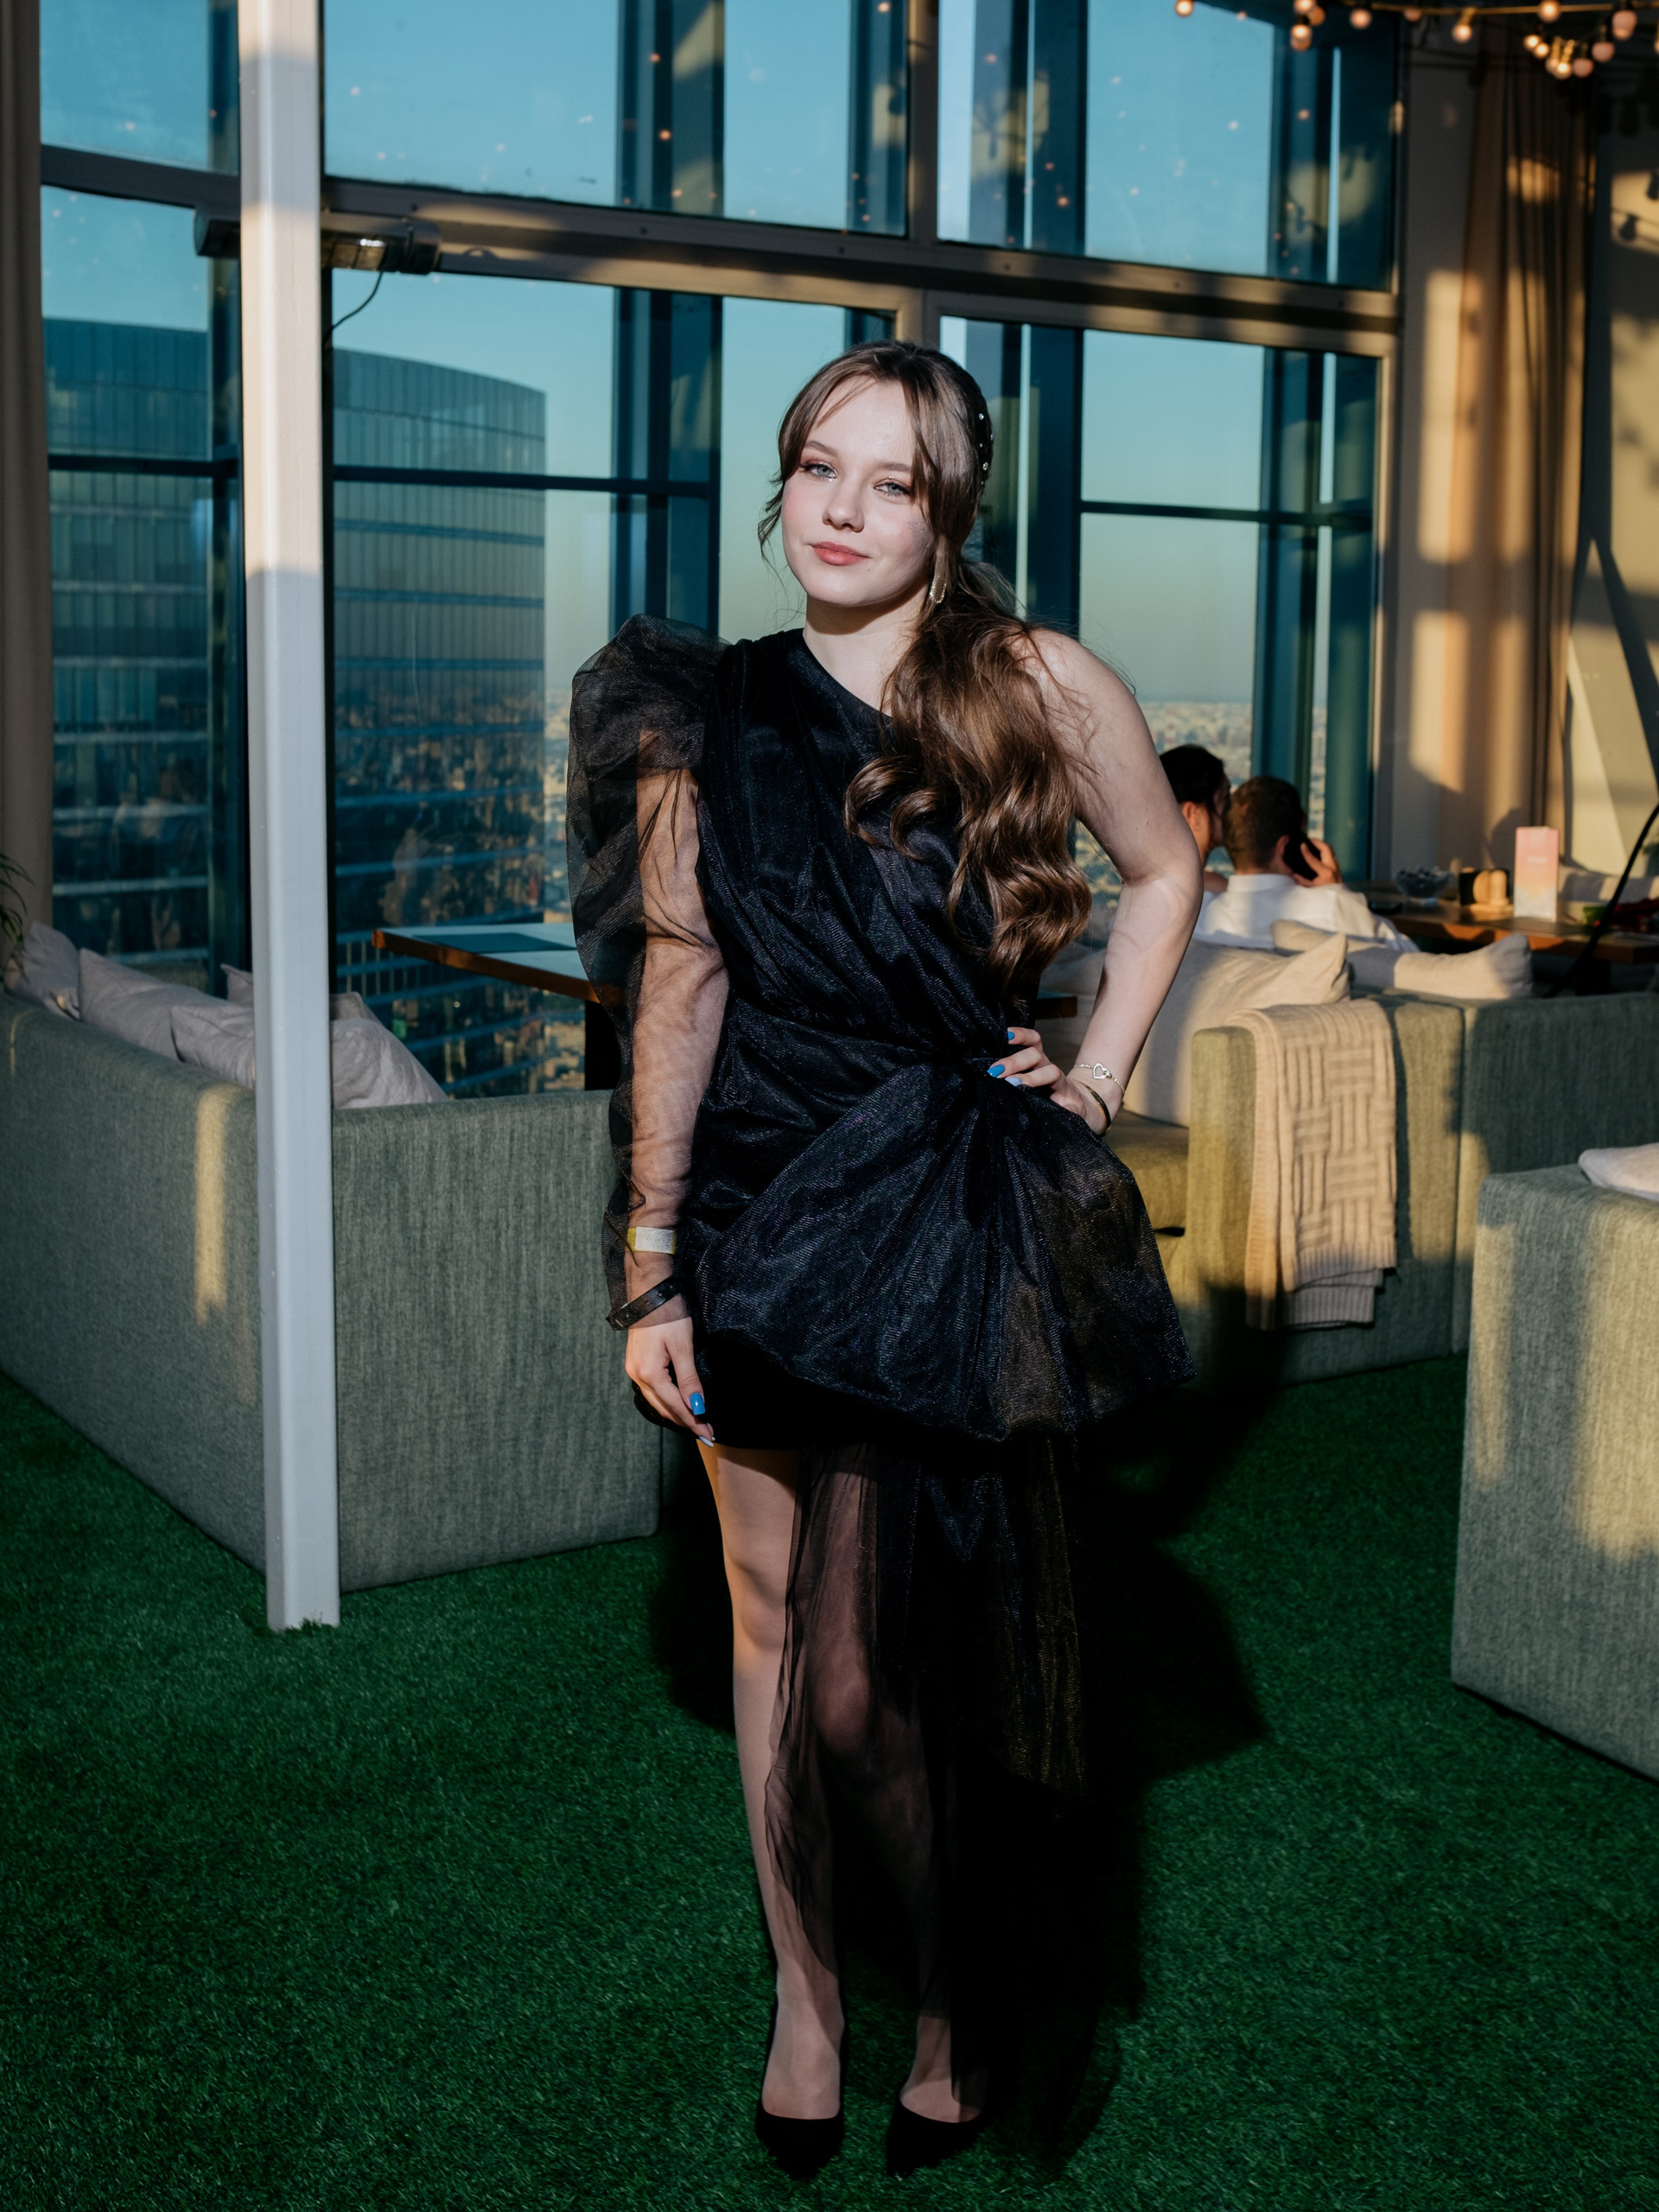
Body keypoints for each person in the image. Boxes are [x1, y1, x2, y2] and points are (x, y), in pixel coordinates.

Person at [569, 342, 1200, 2182]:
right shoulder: (699, 707)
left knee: (864, 1680)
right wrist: (652, 1257)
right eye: (816, 467)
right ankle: (806, 1999)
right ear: (782, 486)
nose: (842, 510)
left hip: (934, 1200)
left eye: (892, 480)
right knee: (768, 1624)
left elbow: (1166, 871)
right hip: (755, 1207)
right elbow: (680, 983)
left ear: (950, 511)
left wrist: (1098, 1076)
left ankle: (950, 1999)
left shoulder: (1033, 682)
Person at [1193, 772, 1405, 949]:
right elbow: (1406, 961)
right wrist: (1338, 891)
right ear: (1286, 846)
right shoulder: (1331, 909)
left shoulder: (1200, 917)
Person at [1158, 743, 1230, 896]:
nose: (1232, 808)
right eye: (1225, 798)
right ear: (1192, 814)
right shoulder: (1213, 892)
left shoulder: (1155, 884)